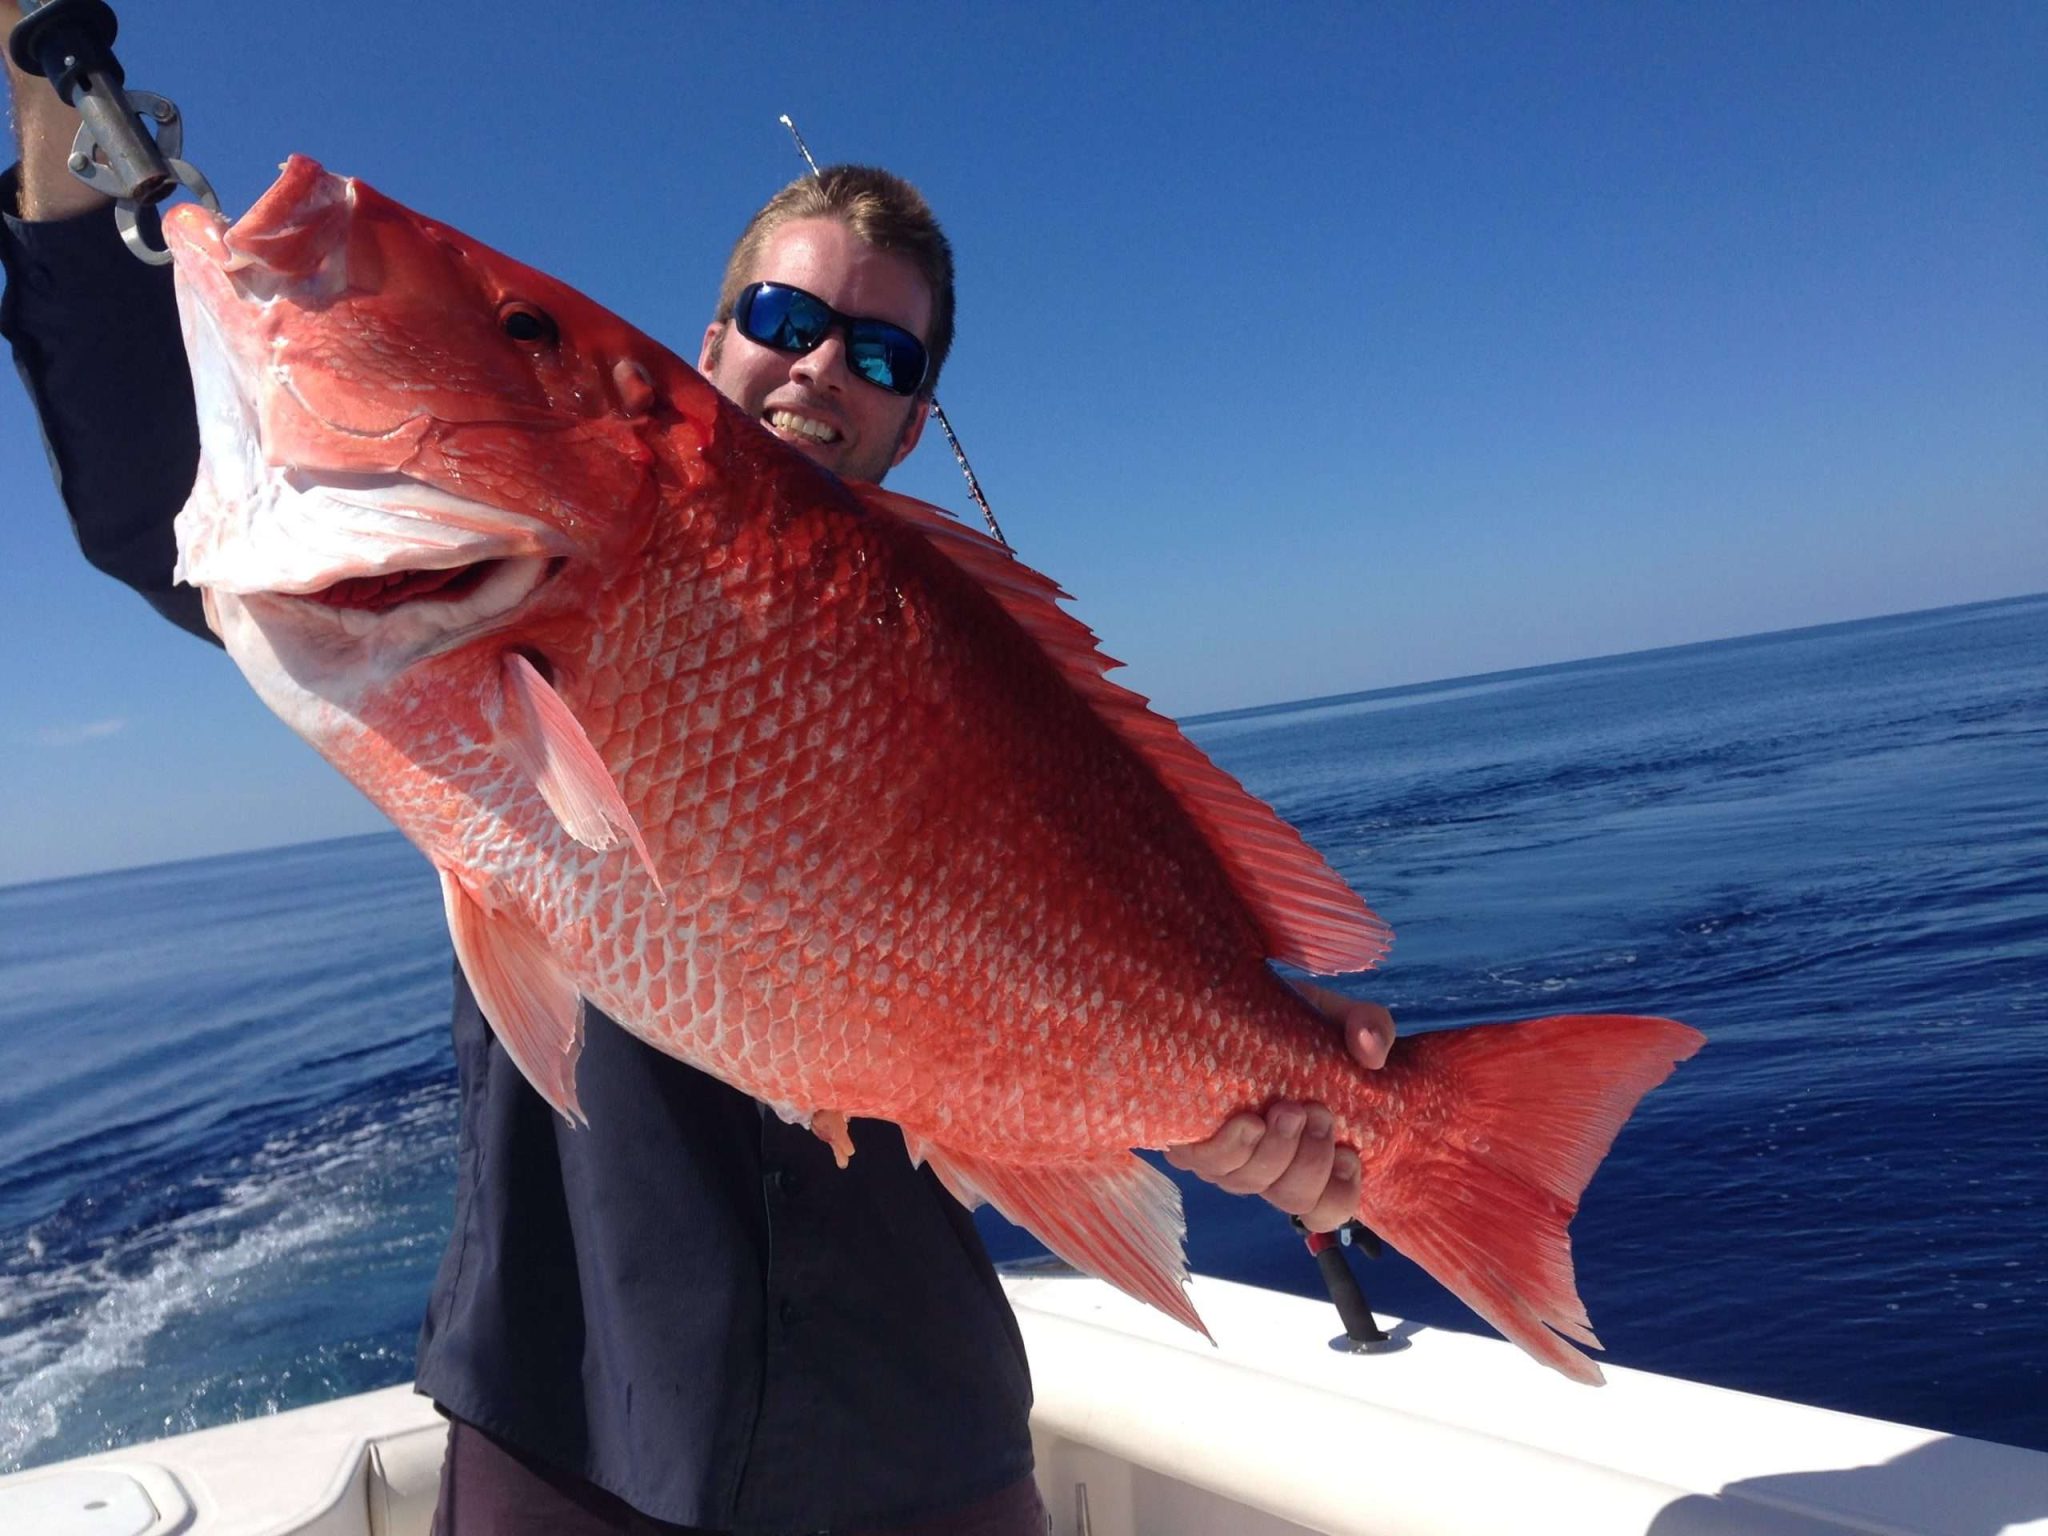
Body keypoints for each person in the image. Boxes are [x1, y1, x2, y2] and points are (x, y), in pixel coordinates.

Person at [3, 36, 1394, 1536]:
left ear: (915, 421)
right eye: (782, 317)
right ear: (711, 341)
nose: (817, 365)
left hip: (917, 1427)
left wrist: (1241, 1109)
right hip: (578, 1404)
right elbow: (172, 481)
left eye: (879, 355)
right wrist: (44, 111)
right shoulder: (488, 575)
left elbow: (1074, 989)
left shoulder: (964, 659)